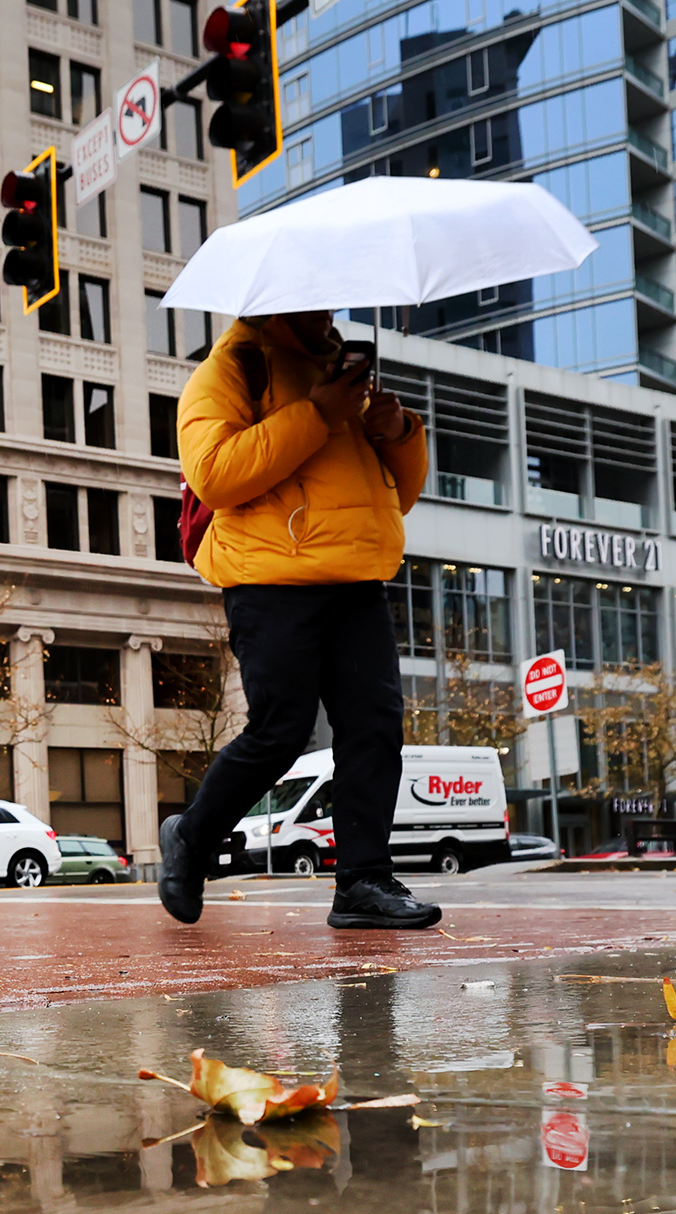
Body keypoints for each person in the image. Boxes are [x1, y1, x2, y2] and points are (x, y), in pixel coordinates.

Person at [160, 311, 441, 932]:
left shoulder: (342, 374)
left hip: (356, 576)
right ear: (276, 304)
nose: (326, 311)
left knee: (374, 728)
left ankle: (362, 881)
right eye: (312, 302)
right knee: (281, 731)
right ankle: (192, 838)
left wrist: (398, 432)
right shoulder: (232, 368)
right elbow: (215, 475)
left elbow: (396, 493)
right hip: (269, 576)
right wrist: (317, 414)